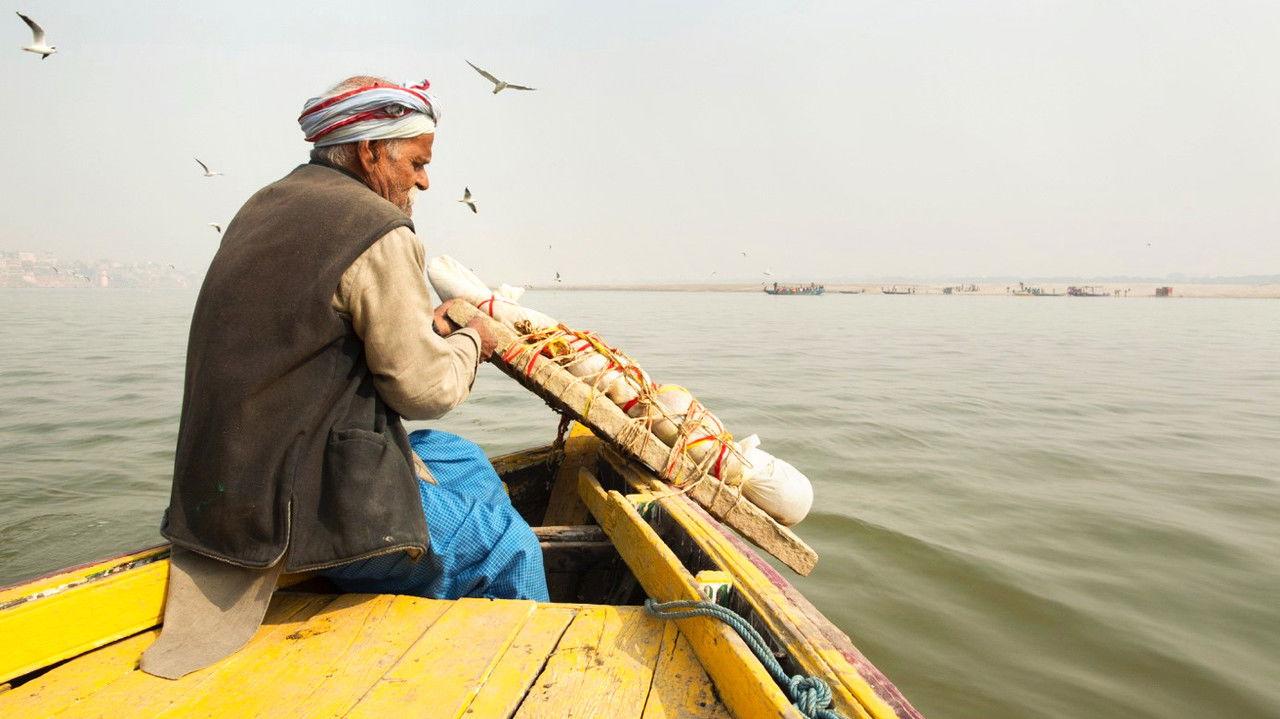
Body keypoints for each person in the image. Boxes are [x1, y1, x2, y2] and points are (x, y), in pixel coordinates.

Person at [140, 75, 547, 680]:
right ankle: (523, 680)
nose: (425, 181)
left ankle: (429, 605)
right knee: (511, 548)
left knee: (463, 461)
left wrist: (428, 331)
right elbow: (424, 391)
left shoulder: (264, 205)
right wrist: (472, 341)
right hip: (302, 499)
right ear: (368, 152)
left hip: (226, 485)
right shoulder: (376, 229)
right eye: (417, 162)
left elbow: (322, 335)